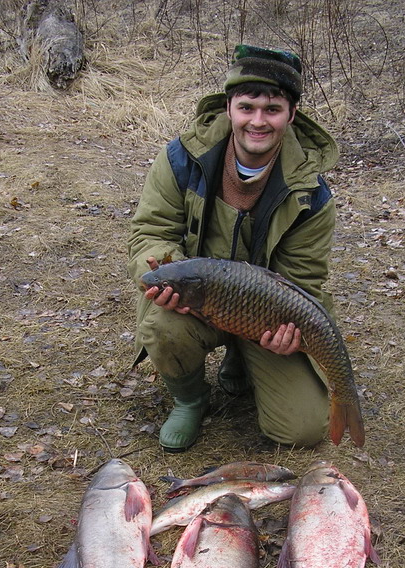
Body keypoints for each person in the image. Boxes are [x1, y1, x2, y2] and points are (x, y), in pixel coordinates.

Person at [128, 44, 339, 453]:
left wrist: (288, 336)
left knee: (302, 430)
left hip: (265, 314)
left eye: (272, 109)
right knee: (162, 326)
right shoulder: (182, 159)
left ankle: (244, 357)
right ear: (229, 108)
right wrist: (159, 264)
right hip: (195, 296)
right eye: (247, 107)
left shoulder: (312, 194)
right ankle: (190, 399)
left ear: (291, 114)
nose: (257, 121)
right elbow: (150, 230)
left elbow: (301, 282)